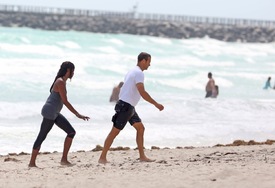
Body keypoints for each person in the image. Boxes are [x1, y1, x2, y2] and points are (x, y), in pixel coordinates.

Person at [98, 52, 164, 164]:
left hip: (129, 107)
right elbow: (142, 92)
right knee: (114, 132)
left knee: (140, 128)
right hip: (125, 107)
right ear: (143, 61)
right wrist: (156, 104)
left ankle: (142, 156)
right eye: (149, 61)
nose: (149, 64)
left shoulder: (132, 71)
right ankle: (102, 157)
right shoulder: (139, 73)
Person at [28, 61, 90, 167]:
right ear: (68, 70)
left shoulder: (62, 82)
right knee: (42, 136)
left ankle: (64, 160)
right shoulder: (60, 82)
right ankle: (32, 163)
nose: (73, 73)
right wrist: (77, 114)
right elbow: (65, 101)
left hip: (55, 113)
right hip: (50, 112)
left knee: (71, 132)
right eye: (73, 71)